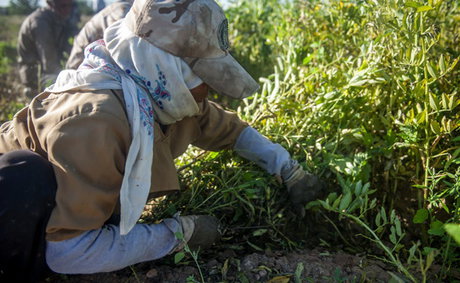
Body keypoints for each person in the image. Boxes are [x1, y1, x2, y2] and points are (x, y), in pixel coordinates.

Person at [0, 0, 323, 281]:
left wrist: (287, 167)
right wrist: (175, 235)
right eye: (204, 78)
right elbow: (67, 251)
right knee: (25, 175)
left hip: (60, 218)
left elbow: (230, 130)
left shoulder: (161, 95)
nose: (208, 90)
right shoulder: (94, 121)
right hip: (17, 221)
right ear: (167, 68)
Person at [17, 0, 78, 99]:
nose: (68, 10)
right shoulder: (40, 22)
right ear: (50, 4)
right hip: (36, 80)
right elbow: (49, 62)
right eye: (63, 6)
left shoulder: (62, 19)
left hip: (51, 74)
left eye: (71, 6)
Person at [66, 1, 132, 70]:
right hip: (84, 49)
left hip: (93, 50)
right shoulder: (122, 10)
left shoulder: (127, 8)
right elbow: (120, 45)